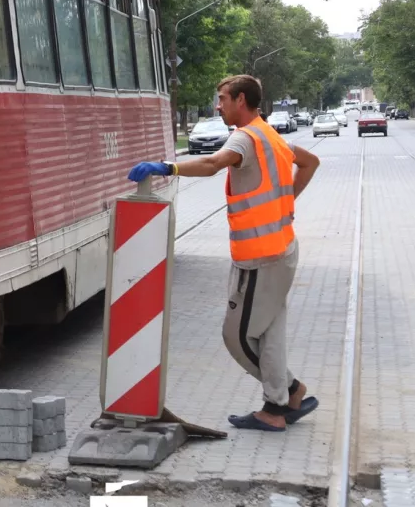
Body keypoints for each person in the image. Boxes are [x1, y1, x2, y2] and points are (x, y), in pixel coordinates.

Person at [127, 74, 320, 431]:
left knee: (236, 337)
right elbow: (310, 163)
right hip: (282, 250)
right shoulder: (271, 135)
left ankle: (283, 396)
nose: (218, 106)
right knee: (270, 335)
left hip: (260, 258)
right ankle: (281, 403)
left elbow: (212, 164)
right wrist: (286, 203)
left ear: (241, 100)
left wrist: (167, 167)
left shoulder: (245, 138)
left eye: (222, 99)